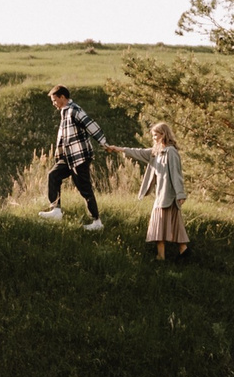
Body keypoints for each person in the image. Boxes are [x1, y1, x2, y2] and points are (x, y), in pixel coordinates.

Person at [111, 122, 189, 261]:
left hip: (169, 196)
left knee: (168, 225)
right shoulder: (156, 152)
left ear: (163, 134)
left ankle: (173, 254)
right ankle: (172, 255)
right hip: (161, 196)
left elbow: (176, 174)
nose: (153, 138)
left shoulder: (171, 152)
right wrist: (117, 149)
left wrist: (180, 194)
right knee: (165, 225)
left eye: (155, 135)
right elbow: (137, 152)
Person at [36, 84, 106, 230]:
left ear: (62, 97)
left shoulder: (75, 110)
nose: (54, 104)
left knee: (84, 188)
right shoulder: (64, 111)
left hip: (80, 156)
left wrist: (104, 143)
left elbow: (91, 126)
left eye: (55, 100)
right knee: (53, 175)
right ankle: (56, 210)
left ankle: (97, 222)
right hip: (68, 157)